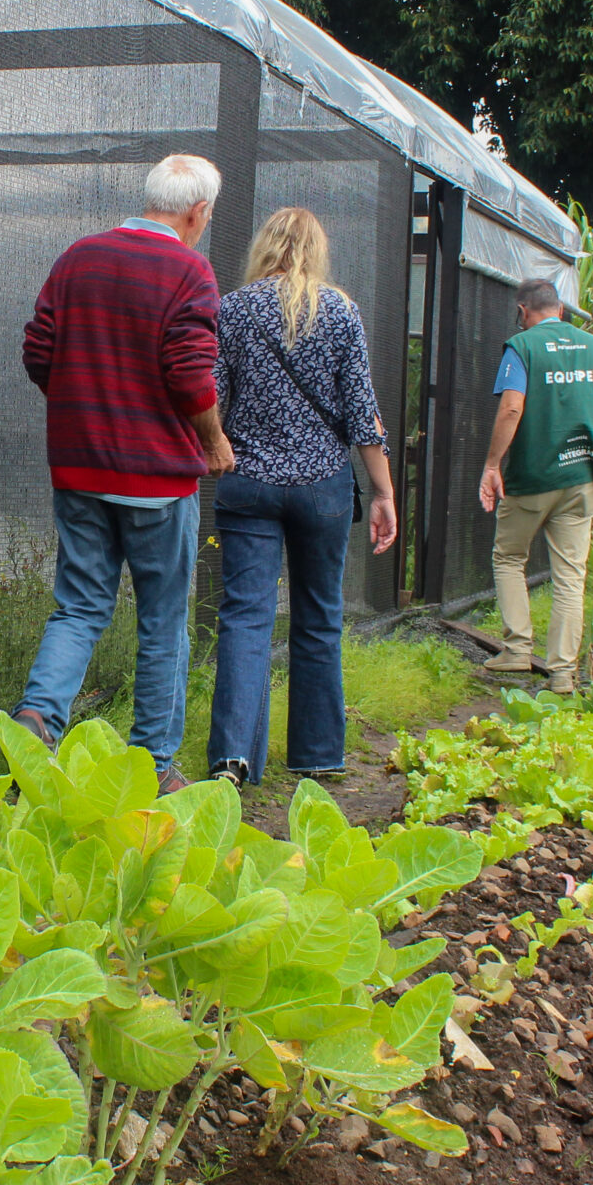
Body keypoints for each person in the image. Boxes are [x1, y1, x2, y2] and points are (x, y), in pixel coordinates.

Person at [8, 153, 234, 796]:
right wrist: (213, 442)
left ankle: (36, 722)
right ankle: (153, 768)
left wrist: (85, 408)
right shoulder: (190, 268)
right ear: (198, 212)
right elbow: (190, 373)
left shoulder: (78, 257)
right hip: (158, 480)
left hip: (79, 471)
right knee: (163, 620)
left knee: (78, 607)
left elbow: (39, 350)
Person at [204, 208, 398, 789]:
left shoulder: (232, 309)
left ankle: (233, 759)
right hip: (322, 489)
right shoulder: (339, 311)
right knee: (319, 617)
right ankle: (316, 754)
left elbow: (211, 398)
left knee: (245, 619)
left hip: (249, 483)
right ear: (316, 249)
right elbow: (362, 412)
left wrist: (220, 445)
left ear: (264, 247)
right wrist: (384, 493)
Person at [476, 273, 593, 695]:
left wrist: (493, 464)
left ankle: (516, 650)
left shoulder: (522, 347)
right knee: (570, 576)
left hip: (532, 479)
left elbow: (511, 409)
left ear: (522, 312)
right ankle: (562, 674)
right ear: (561, 310)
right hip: (581, 478)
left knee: (510, 557)